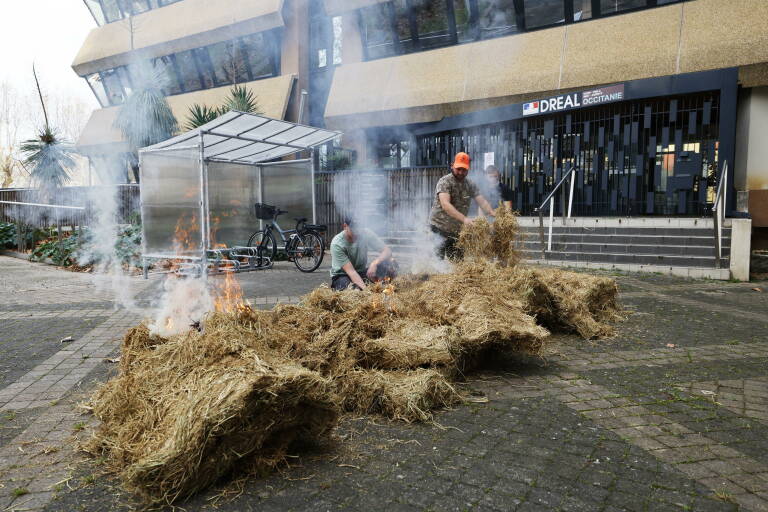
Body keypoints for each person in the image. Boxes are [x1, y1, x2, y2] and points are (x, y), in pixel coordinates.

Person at [429, 152, 496, 259]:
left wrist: (492, 213)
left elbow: (482, 201)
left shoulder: (470, 184)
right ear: (452, 166)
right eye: (458, 169)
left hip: (456, 231)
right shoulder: (445, 182)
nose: (461, 172)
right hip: (438, 228)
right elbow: (446, 205)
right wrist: (465, 219)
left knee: (458, 263)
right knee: (437, 262)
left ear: (468, 169)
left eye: (464, 169)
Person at [330, 217, 398, 290]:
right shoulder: (337, 244)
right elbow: (351, 272)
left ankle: (385, 288)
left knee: (390, 265)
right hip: (343, 276)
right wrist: (366, 293)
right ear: (345, 226)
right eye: (354, 230)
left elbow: (387, 251)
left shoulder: (365, 233)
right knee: (354, 291)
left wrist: (374, 263)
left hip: (361, 272)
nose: (357, 234)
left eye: (359, 229)